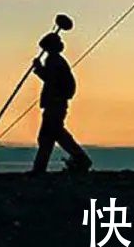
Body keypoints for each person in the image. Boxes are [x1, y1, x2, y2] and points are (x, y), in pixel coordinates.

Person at [30, 32, 92, 174]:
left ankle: (81, 159)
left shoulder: (54, 61)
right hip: (57, 104)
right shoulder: (57, 60)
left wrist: (38, 69)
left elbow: (50, 79)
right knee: (52, 135)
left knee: (51, 135)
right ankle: (40, 168)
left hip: (55, 104)